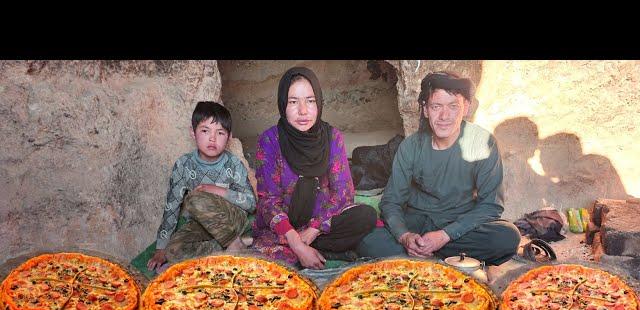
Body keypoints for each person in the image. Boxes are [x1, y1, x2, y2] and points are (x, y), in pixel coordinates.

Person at [357, 71, 520, 265]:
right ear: (425, 109)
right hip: (417, 223)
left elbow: (490, 205)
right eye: (436, 106)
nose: (444, 116)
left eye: (453, 106)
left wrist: (444, 236)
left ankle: (418, 257)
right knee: (366, 240)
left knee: (506, 238)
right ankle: (434, 253)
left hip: (459, 224)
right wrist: (405, 236)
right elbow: (391, 201)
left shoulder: (482, 142)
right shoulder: (411, 146)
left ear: (466, 107)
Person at [252, 66, 377, 269]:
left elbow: (343, 193)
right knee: (264, 262)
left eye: (310, 101)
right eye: (293, 102)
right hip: (285, 227)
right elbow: (268, 202)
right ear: (283, 104)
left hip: (319, 222)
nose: (303, 111)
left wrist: (314, 228)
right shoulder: (270, 140)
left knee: (366, 216)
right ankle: (307, 250)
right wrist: (296, 242)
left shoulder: (332, 137)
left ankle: (309, 246)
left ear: (318, 102)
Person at [147, 101, 256, 272]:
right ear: (193, 132)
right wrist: (161, 248)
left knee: (195, 199)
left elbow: (251, 203)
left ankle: (233, 241)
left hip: (232, 220)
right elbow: (172, 206)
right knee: (173, 251)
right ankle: (238, 244)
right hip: (201, 224)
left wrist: (217, 191)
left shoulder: (234, 164)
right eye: (205, 131)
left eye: (220, 133)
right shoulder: (183, 165)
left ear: (228, 137)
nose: (212, 138)